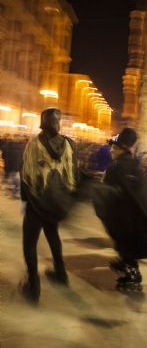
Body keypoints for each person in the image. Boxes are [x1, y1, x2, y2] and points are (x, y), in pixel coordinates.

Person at [93, 127, 147, 291]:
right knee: (126, 247)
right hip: (132, 219)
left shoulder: (118, 166)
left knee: (126, 248)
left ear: (123, 149)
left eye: (115, 147)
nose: (112, 150)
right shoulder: (135, 166)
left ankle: (132, 276)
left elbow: (111, 192)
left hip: (124, 219)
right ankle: (128, 270)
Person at [20, 108, 77, 303]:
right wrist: (62, 197)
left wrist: (26, 199)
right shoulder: (68, 145)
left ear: (43, 123)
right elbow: (71, 178)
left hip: (37, 202)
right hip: (55, 203)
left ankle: (33, 286)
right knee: (53, 235)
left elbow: (26, 174)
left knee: (29, 241)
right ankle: (61, 274)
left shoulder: (34, 143)